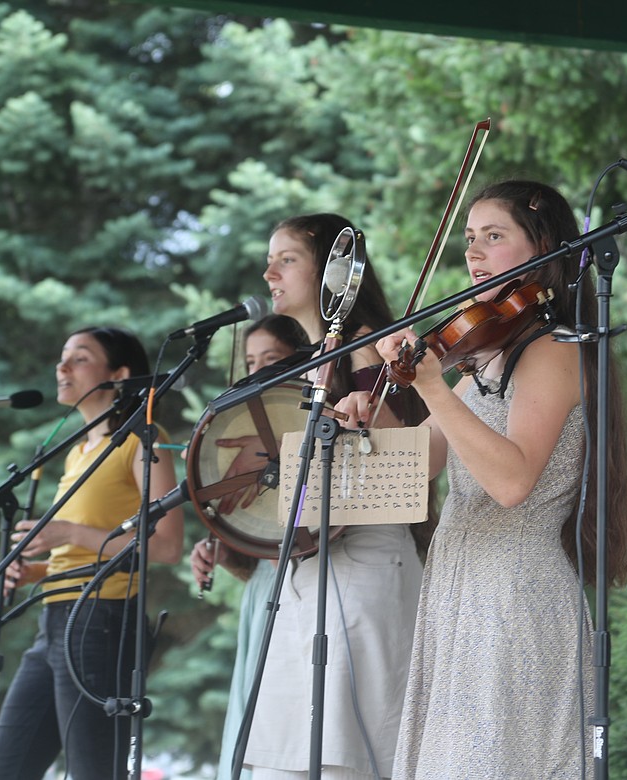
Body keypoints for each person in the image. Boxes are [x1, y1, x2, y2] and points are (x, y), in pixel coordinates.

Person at [336, 180, 627, 779]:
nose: (473, 254)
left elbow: (511, 481)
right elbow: (422, 465)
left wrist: (429, 387)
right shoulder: (486, 357)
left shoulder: (552, 349)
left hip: (516, 591)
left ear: (540, 249)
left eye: (493, 238)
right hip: (460, 584)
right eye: (470, 240)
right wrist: (359, 426)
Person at [228, 213, 430, 780]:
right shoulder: (304, 359)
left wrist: (359, 418)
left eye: (286, 258)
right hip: (303, 576)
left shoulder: (364, 345)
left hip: (361, 570)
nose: (269, 271)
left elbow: (402, 452)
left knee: (346, 755)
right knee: (284, 758)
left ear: (332, 270)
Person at [0, 325, 185, 780]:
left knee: (94, 772)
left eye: (79, 357)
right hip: (54, 621)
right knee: (2, 768)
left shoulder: (143, 439)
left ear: (118, 374)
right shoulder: (78, 452)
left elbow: (167, 545)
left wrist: (69, 531)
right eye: (62, 357)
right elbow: (81, 551)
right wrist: (33, 567)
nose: (62, 366)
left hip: (102, 623)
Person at [189, 313, 307, 780]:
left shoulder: (309, 428)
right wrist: (224, 549)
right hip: (264, 592)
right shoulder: (245, 437)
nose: (258, 371)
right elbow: (260, 540)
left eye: (272, 359)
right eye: (251, 361)